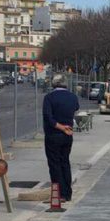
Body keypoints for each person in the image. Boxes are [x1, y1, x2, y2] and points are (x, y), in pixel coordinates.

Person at [43, 74, 79, 202]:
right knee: (65, 162)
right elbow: (76, 108)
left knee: (54, 165)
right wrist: (67, 125)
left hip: (53, 134)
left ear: (54, 84)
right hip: (68, 135)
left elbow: (48, 117)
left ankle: (59, 195)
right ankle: (68, 193)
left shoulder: (49, 98)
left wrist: (61, 126)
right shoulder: (73, 97)